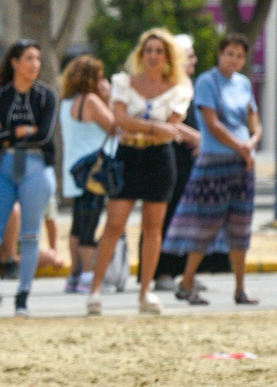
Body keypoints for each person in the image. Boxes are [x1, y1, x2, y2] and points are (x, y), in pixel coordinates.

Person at [86, 28, 200, 315]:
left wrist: (139, 127)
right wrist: (152, 127)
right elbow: (120, 119)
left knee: (152, 227)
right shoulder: (124, 82)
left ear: (168, 57)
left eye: (159, 51)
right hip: (128, 156)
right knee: (114, 225)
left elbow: (171, 127)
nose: (153, 56)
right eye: (148, 50)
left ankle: (145, 291)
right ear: (141, 54)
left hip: (159, 159)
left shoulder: (180, 88)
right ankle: (95, 290)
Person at [164, 34, 263, 306]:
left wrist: (252, 142)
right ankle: (187, 281)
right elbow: (212, 123)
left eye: (240, 56)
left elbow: (254, 119)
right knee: (206, 225)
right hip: (215, 162)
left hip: (242, 163)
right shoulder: (207, 82)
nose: (234, 60)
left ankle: (240, 287)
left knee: (241, 225)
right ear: (220, 54)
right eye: (230, 53)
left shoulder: (243, 84)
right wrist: (240, 147)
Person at [0, 40, 57, 318]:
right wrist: (18, 131)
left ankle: (22, 297)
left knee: (31, 234)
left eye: (37, 59)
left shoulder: (46, 95)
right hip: (3, 165)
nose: (35, 64)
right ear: (15, 62)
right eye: (29, 58)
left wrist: (5, 131)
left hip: (35, 164)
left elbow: (44, 135)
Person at [153, 34, 229, 290]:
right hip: (171, 158)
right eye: (189, 55)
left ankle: (187, 273)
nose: (194, 60)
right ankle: (164, 272)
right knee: (169, 215)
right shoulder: (167, 86)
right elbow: (167, 122)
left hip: (193, 161)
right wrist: (197, 138)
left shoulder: (193, 85)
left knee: (192, 219)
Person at [57, 55, 115, 292]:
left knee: (78, 224)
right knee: (89, 223)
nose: (103, 81)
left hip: (76, 170)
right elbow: (114, 126)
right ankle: (88, 275)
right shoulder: (91, 100)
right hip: (94, 172)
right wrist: (109, 99)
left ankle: (75, 273)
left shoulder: (67, 102)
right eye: (99, 77)